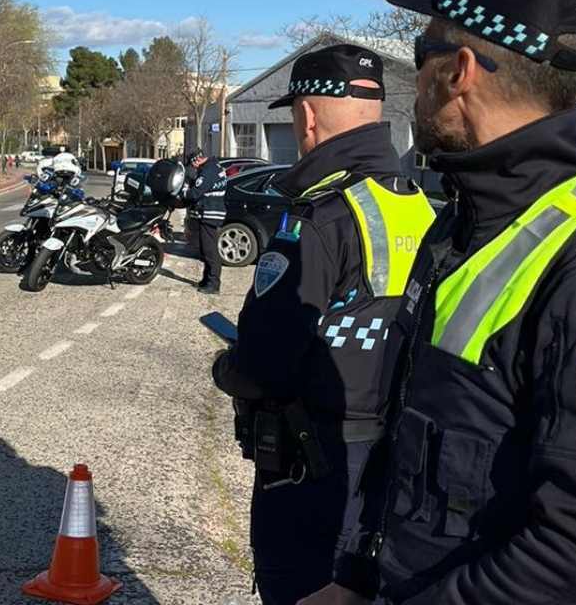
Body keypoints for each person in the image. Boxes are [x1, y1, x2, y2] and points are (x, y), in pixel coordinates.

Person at [308, 0, 576, 605]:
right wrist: (354, 577)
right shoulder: (467, 224)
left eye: (422, 53)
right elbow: (412, 436)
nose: (418, 80)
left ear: (459, 69)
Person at [211, 44, 435, 605]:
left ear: (307, 116)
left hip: (314, 465)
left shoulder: (320, 216)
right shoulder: (421, 206)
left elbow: (266, 362)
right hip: (398, 456)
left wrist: (226, 368)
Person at [184, 150, 227, 294]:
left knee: (210, 250)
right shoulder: (215, 166)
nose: (194, 167)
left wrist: (183, 193)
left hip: (210, 213)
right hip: (211, 212)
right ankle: (206, 279)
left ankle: (214, 284)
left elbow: (196, 192)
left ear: (197, 160)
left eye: (193, 164)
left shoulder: (208, 171)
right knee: (205, 248)